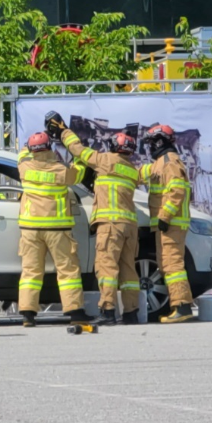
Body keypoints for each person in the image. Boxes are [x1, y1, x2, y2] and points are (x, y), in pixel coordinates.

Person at [50, 113, 141, 325]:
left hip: (110, 225)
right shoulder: (131, 169)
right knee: (128, 270)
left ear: (114, 147)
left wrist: (63, 131)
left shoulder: (105, 160)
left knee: (107, 268)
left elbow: (78, 150)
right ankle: (131, 313)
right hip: (130, 227)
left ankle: (108, 311)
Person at [16, 130, 96, 328]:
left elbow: (22, 153)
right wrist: (69, 141)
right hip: (57, 228)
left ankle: (27, 314)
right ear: (49, 147)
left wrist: (29, 145)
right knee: (68, 271)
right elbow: (80, 171)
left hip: (30, 228)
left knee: (31, 271)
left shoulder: (23, 166)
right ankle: (75, 313)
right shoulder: (61, 170)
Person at [141, 124, 196, 323]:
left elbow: (177, 191)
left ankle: (182, 307)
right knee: (166, 265)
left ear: (160, 141)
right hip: (165, 225)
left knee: (173, 265)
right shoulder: (159, 163)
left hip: (171, 224)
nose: (150, 147)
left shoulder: (170, 162)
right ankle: (179, 305)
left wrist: (165, 216)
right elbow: (139, 174)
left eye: (152, 142)